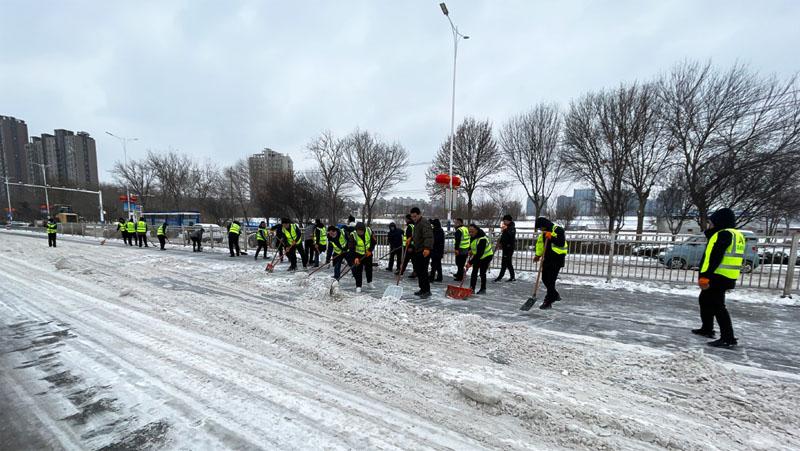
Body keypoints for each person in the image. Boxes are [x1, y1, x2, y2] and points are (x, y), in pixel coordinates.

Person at [693, 208, 744, 348]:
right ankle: (707, 328)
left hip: (718, 276)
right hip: (726, 275)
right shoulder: (735, 234)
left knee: (718, 306)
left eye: (711, 222)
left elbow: (715, 257)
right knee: (705, 300)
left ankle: (728, 338)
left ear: (720, 222)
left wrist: (705, 276)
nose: (710, 225)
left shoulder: (723, 234)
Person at [533, 216, 568, 310]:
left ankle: (548, 301)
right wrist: (538, 255)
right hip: (547, 259)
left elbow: (561, 243)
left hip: (557, 259)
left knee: (551, 281)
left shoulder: (558, 230)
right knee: (545, 278)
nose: (541, 230)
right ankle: (554, 294)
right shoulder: (543, 233)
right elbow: (540, 245)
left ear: (544, 225)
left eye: (541, 228)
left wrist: (551, 237)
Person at [409, 207, 433, 298]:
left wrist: (427, 248)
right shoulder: (417, 223)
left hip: (424, 251)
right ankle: (422, 289)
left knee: (423, 271)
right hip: (418, 250)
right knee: (419, 270)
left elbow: (428, 236)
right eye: (412, 217)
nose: (413, 218)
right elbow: (418, 235)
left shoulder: (424, 222)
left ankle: (427, 290)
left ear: (419, 214)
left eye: (415, 216)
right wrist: (411, 239)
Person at [466, 223, 494, 295]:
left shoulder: (482, 239)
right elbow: (472, 245)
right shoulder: (473, 237)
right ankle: (472, 288)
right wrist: (470, 250)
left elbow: (479, 254)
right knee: (474, 271)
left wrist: (470, 262)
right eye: (469, 231)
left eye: (472, 231)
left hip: (486, 256)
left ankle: (483, 289)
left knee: (482, 272)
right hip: (478, 256)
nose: (470, 233)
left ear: (476, 230)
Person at [349, 222, 376, 293]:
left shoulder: (369, 231)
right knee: (358, 270)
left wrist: (370, 250)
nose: (360, 232)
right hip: (358, 255)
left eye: (361, 231)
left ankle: (369, 282)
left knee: (369, 269)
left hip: (368, 254)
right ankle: (358, 286)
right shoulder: (353, 235)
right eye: (358, 231)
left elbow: (374, 242)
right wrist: (355, 258)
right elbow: (351, 248)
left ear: (364, 230)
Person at [495, 214, 517, 282]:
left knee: (507, 263)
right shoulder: (506, 227)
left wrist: (506, 229)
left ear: (509, 221)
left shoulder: (512, 227)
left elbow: (511, 235)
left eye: (505, 221)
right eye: (504, 221)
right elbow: (503, 237)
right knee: (505, 262)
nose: (504, 222)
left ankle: (509, 277)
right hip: (505, 247)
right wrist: (500, 243)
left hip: (509, 248)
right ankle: (504, 277)